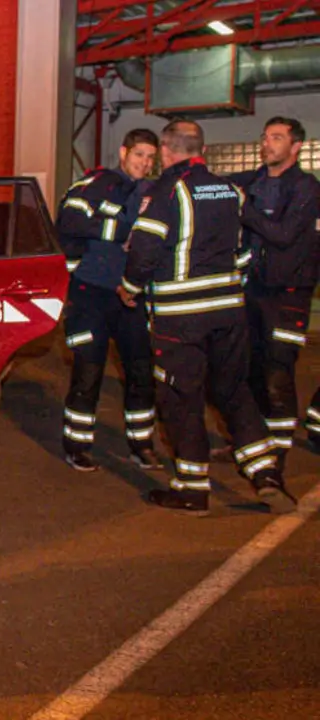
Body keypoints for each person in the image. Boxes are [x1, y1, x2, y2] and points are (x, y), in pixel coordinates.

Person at [118, 119, 295, 516]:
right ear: (203, 149)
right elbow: (249, 245)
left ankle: (191, 488)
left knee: (181, 397)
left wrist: (130, 287)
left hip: (181, 317)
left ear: (166, 151)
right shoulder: (231, 190)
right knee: (234, 392)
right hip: (229, 311)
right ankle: (266, 474)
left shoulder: (166, 191)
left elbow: (145, 249)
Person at [57, 129, 162, 472]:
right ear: (123, 153)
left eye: (150, 157)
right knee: (88, 370)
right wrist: (121, 232)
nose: (145, 163)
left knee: (141, 371)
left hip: (131, 297)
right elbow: (70, 221)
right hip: (90, 293)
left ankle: (142, 445)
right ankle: (77, 445)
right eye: (139, 155)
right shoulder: (99, 184)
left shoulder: (153, 193)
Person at [228, 117, 319, 459]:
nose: (267, 144)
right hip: (252, 289)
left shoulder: (306, 188)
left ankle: (278, 450)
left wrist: (244, 208)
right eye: (265, 137)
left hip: (288, 293)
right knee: (250, 367)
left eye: (277, 138)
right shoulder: (252, 180)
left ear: (296, 146)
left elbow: (282, 235)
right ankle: (254, 441)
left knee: (278, 369)